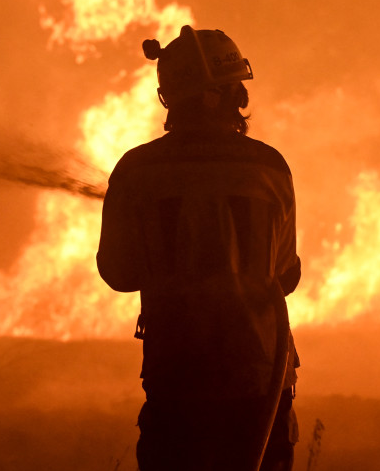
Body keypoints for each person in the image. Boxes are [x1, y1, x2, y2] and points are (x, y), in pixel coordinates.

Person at [98, 25, 301, 471]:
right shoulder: (269, 167)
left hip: (177, 381)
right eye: (236, 89)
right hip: (260, 383)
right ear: (219, 96)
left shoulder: (135, 171)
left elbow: (117, 272)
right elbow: (286, 275)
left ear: (171, 98)